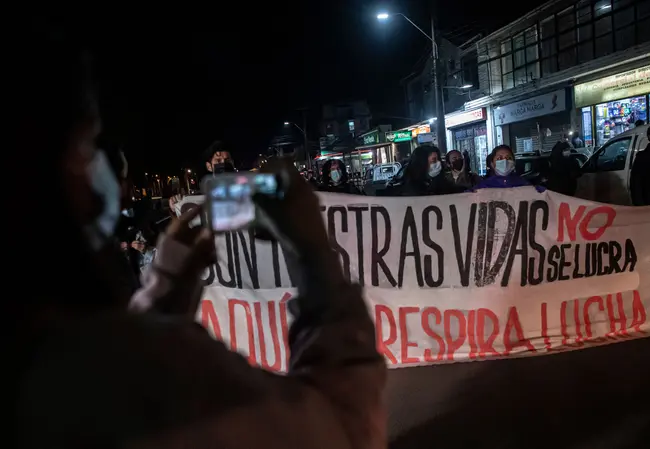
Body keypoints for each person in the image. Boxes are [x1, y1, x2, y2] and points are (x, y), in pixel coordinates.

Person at [13, 31, 385, 449]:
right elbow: (344, 428)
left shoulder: (56, 360)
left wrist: (167, 293)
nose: (111, 190)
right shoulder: (129, 370)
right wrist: (315, 254)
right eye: (84, 148)